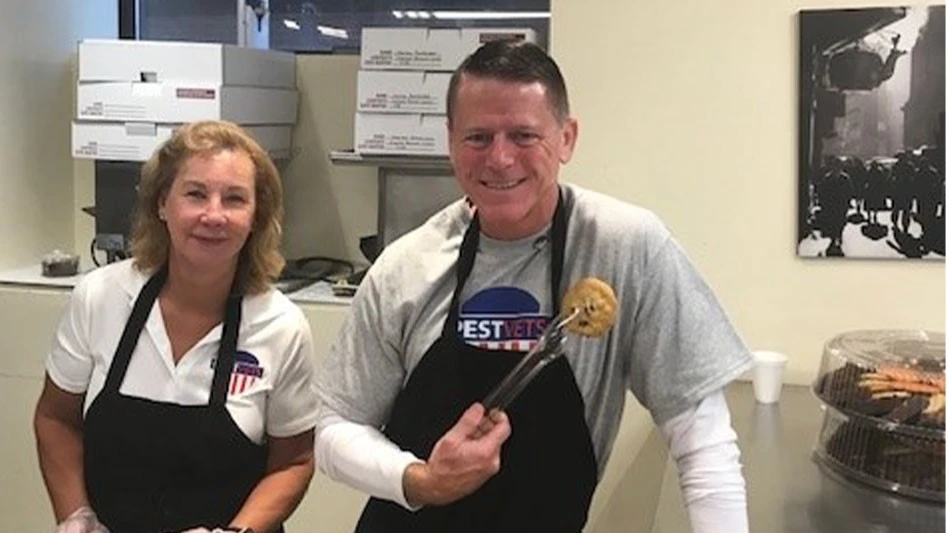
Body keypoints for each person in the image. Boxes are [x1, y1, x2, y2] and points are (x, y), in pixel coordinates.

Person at [315, 41, 752, 533]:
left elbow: (704, 442)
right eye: (478, 137)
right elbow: (334, 431)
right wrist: (420, 480)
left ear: (567, 138)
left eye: (524, 135)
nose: (500, 159)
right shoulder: (406, 266)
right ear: (450, 141)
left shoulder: (625, 248)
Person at [34, 121, 318, 533]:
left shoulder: (281, 325)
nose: (213, 215)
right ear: (162, 203)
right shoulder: (100, 297)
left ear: (257, 216)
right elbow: (55, 419)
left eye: (235, 199)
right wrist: (76, 516)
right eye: (196, 194)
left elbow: (294, 461)